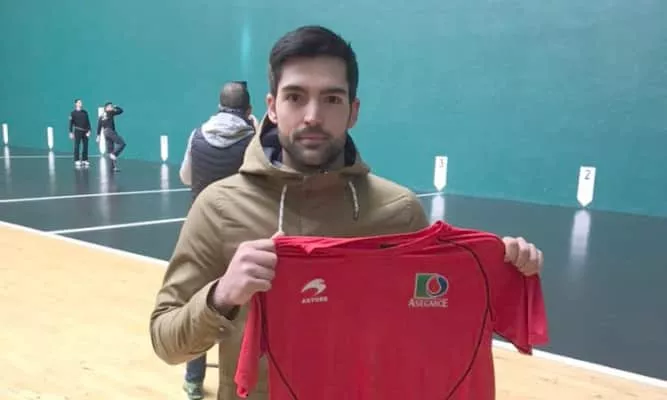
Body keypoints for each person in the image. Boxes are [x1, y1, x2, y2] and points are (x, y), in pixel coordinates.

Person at [149, 25, 544, 400]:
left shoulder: (399, 212)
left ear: (353, 110)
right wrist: (221, 296)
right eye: (295, 97)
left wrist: (500, 269)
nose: (313, 116)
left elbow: (433, 327)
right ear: (272, 107)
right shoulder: (219, 208)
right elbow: (166, 341)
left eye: (332, 99)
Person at [178, 80, 258, 400]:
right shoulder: (254, 140)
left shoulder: (197, 135)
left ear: (219, 106)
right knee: (242, 309)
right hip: (241, 236)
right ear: (248, 110)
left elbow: (185, 177)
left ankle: (193, 381)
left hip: (200, 233)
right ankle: (238, 383)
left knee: (200, 306)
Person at [96, 101, 125, 172]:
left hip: (105, 133)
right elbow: (121, 111)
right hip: (110, 131)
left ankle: (112, 167)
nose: (111, 107)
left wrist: (98, 136)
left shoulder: (101, 116)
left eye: (111, 106)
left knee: (110, 150)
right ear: (106, 108)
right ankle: (114, 154)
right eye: (110, 106)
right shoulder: (110, 112)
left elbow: (99, 126)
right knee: (122, 143)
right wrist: (116, 107)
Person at [68, 98, 92, 168]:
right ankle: (77, 160)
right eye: (79, 102)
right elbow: (71, 123)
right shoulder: (73, 113)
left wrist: (89, 131)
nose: (80, 103)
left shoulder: (85, 112)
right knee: (77, 146)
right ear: (76, 104)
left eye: (81, 102)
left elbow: (88, 122)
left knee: (85, 146)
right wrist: (70, 132)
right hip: (77, 131)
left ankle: (85, 159)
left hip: (85, 131)